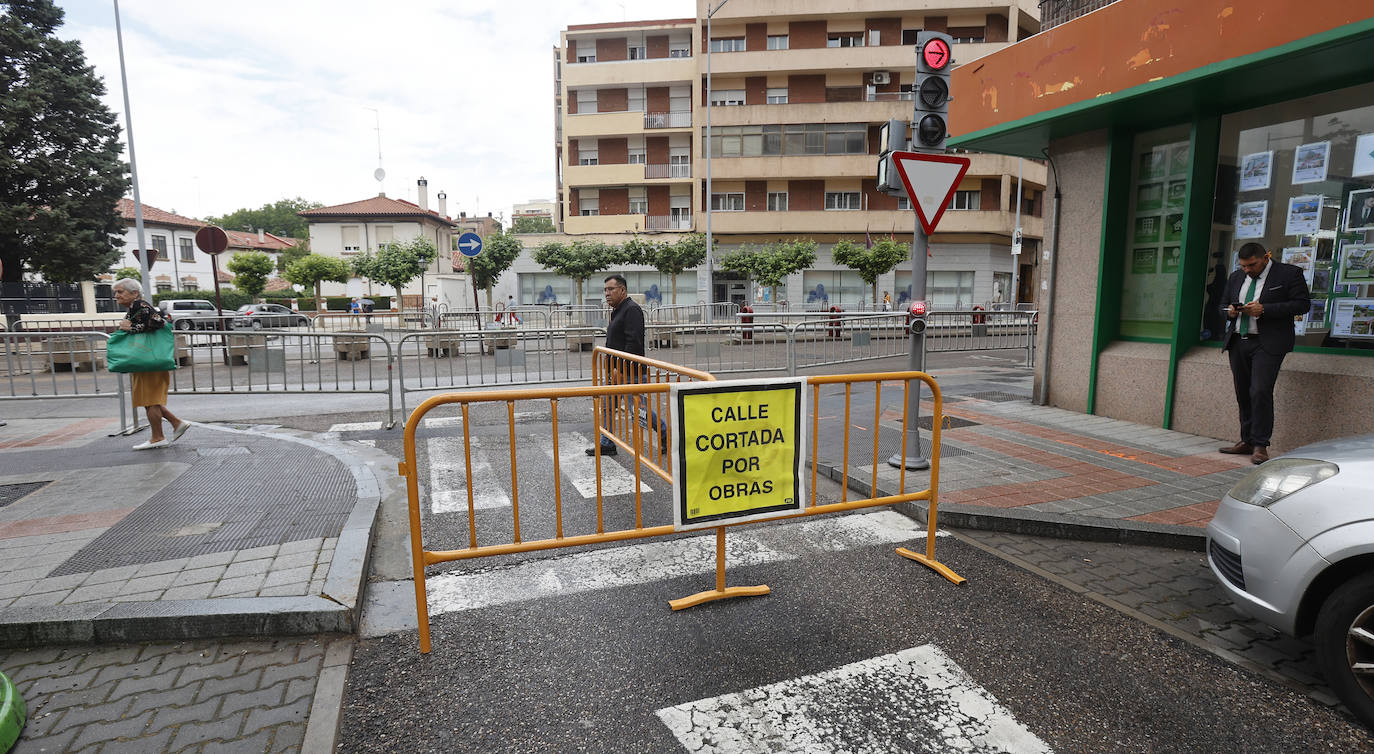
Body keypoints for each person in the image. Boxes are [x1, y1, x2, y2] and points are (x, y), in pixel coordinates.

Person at [1219, 242, 1310, 464]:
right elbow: (1220, 304)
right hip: (1239, 341)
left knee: (1260, 390)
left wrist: (1265, 309)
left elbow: (1302, 305)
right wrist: (1230, 312)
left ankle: (1260, 445)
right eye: (1243, 266)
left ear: (1265, 258)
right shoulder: (1236, 277)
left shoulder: (1289, 274)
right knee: (1243, 392)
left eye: (1252, 265)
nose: (1247, 270)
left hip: (1268, 343)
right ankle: (1246, 440)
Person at [588, 274, 665, 457]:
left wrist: (620, 370)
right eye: (605, 290)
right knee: (607, 406)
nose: (607, 293)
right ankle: (607, 443)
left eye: (611, 289)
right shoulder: (618, 309)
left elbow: (634, 343)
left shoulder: (631, 310)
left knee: (639, 410)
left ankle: (666, 433)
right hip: (616, 372)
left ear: (622, 290)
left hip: (630, 373)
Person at [112, 278, 191, 451]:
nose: (116, 295)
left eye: (120, 292)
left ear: (134, 293)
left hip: (150, 362)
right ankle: (177, 423)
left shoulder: (140, 305)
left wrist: (131, 328)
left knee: (151, 400)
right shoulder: (137, 307)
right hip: (147, 361)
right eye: (115, 292)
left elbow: (159, 323)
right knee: (149, 400)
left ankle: (158, 437)